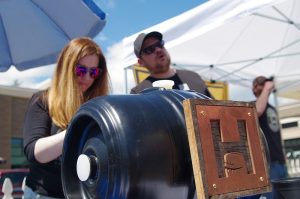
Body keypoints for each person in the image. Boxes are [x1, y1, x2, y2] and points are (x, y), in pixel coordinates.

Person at [22, 37, 110, 199]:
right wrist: (77, 129)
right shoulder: (42, 100)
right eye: (81, 70)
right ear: (66, 68)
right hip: (45, 194)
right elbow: (34, 152)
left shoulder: (97, 106)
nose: (87, 78)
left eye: (94, 72)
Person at [130, 31, 212, 98]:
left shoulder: (193, 77)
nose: (158, 50)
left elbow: (216, 111)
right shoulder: (138, 93)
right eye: (149, 49)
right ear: (141, 62)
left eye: (159, 44)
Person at [252, 76, 288, 199]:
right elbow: (257, 111)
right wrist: (267, 89)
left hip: (280, 163)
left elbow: (276, 134)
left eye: (261, 84)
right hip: (267, 164)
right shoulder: (254, 105)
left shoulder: (272, 108)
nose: (257, 86)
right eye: (256, 84)